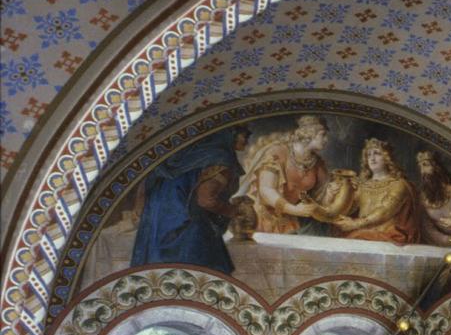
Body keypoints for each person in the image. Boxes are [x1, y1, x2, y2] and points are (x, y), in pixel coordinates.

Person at [129, 126, 251, 273]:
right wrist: (232, 210)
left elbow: (149, 180)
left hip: (158, 219)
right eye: (245, 135)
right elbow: (206, 200)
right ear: (231, 134)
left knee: (161, 274)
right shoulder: (220, 159)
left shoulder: (190, 155)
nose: (247, 141)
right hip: (185, 224)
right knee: (201, 277)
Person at [237, 115, 331, 234]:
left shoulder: (317, 164)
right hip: (262, 220)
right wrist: (294, 209)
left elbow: (324, 196)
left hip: (289, 222)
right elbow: (266, 190)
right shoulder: (277, 153)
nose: (326, 139)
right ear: (309, 133)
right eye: (323, 134)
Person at [330, 138, 420, 245]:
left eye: (377, 153)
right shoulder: (363, 185)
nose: (372, 158)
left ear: (387, 158)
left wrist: (355, 224)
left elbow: (385, 211)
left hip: (389, 236)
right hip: (364, 233)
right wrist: (341, 192)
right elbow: (348, 209)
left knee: (355, 237)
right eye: (369, 155)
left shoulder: (399, 184)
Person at [416, 150, 451, 246]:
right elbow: (427, 229)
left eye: (426, 165)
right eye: (420, 167)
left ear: (437, 167)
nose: (422, 171)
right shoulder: (422, 199)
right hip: (441, 245)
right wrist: (449, 240)